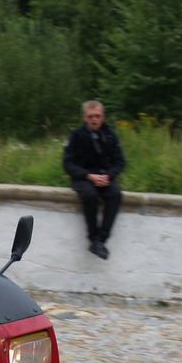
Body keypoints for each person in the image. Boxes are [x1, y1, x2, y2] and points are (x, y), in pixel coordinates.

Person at [62, 100, 126, 260]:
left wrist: (108, 176)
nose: (94, 119)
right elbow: (68, 163)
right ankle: (93, 237)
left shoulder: (109, 134)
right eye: (90, 116)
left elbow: (119, 162)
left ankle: (100, 240)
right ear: (84, 117)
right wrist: (87, 176)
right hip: (83, 177)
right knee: (90, 195)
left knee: (115, 195)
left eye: (97, 116)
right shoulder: (76, 135)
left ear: (103, 116)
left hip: (104, 176)